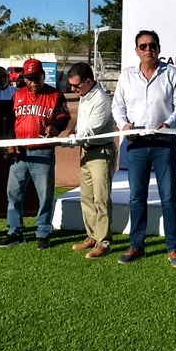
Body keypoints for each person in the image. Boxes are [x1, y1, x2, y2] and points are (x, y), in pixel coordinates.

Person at [111, 31, 176, 267]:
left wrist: (169, 123)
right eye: (143, 46)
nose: (148, 49)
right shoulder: (127, 76)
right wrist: (125, 126)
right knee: (137, 197)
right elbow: (118, 106)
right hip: (135, 143)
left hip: (163, 142)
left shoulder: (172, 74)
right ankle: (137, 246)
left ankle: (174, 248)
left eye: (152, 45)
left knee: (168, 197)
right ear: (136, 50)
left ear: (159, 48)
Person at [0, 58, 71, 250]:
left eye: (36, 77)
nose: (33, 82)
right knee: (13, 193)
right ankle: (14, 231)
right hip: (20, 152)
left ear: (43, 76)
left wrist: (55, 127)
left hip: (42, 151)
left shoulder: (55, 95)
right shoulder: (18, 95)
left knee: (45, 194)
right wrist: (11, 144)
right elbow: (10, 122)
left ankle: (43, 232)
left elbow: (64, 117)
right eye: (29, 78)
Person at [66, 62, 117, 260]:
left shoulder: (102, 100)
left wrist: (67, 141)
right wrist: (74, 131)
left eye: (76, 86)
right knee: (86, 197)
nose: (73, 89)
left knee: (101, 198)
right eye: (71, 85)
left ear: (89, 81)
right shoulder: (84, 96)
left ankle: (104, 243)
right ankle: (92, 236)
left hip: (101, 153)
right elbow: (82, 125)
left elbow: (91, 130)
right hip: (86, 151)